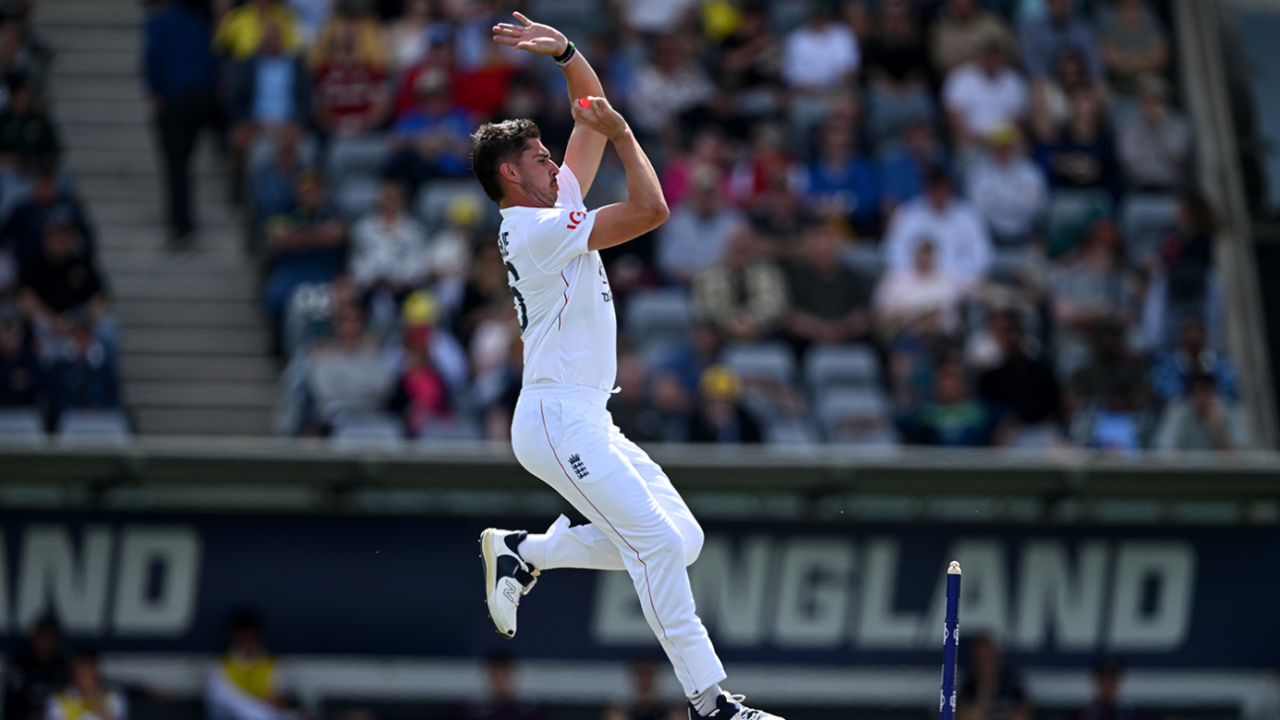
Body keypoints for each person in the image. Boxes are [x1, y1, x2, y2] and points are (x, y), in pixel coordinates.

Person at [472, 14, 784, 720]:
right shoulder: (535, 229)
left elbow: (587, 114)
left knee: (683, 540)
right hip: (555, 415)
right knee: (652, 546)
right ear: (510, 175)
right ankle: (710, 702)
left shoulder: (554, 205)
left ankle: (528, 551)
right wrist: (625, 136)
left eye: (553, 156)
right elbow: (653, 207)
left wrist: (567, 52)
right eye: (542, 159)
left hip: (586, 416)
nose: (556, 163)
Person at [145, 0, 218, 247]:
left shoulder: (157, 22)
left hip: (174, 100)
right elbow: (212, 59)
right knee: (187, 159)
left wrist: (155, 91)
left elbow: (152, 57)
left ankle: (181, 226)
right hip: (202, 97)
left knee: (176, 165)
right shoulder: (198, 22)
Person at [882, 167, 992, 284]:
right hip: (916, 282)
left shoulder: (968, 216)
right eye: (935, 189)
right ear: (926, 190)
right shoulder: (908, 214)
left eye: (943, 189)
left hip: (958, 282)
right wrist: (918, 271)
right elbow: (891, 250)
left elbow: (982, 255)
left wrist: (952, 274)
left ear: (951, 190)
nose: (939, 194)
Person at [783, 222, 873, 356]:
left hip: (849, 337)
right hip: (807, 342)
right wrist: (820, 330)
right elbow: (791, 316)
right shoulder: (796, 278)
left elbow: (865, 314)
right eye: (817, 249)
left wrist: (843, 330)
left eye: (826, 250)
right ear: (809, 251)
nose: (822, 254)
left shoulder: (853, 278)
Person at [693, 230, 787, 344]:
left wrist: (750, 320)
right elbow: (705, 307)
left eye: (745, 251)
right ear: (727, 251)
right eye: (736, 250)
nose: (740, 255)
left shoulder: (768, 272)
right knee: (704, 336)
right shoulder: (711, 274)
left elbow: (776, 306)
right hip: (720, 331)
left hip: (761, 330)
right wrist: (731, 321)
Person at [656, 168, 746, 286]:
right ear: (692, 192)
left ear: (720, 192)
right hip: (680, 285)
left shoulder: (735, 220)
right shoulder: (676, 219)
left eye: (710, 192)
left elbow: (740, 260)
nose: (706, 198)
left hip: (722, 284)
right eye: (702, 192)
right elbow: (666, 261)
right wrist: (694, 277)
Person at [976, 309, 1062, 431]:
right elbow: (985, 411)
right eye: (1006, 333)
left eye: (1014, 332)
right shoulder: (991, 378)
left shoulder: (1043, 373)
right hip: (1006, 436)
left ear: (1022, 334)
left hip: (1040, 432)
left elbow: (1054, 408)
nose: (1012, 339)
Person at [964, 124, 1047, 246]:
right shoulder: (979, 173)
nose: (1003, 151)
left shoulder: (1030, 172)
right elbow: (977, 208)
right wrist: (1014, 204)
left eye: (1007, 146)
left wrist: (999, 204)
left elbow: (1035, 206)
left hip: (1024, 234)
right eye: (999, 146)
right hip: (991, 236)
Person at [206, 610, 298, 720]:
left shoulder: (273, 664)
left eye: (250, 637)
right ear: (234, 637)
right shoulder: (220, 665)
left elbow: (281, 696)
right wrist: (261, 702)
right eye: (242, 637)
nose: (247, 642)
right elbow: (223, 703)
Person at [942, 41, 1029, 151]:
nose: (991, 62)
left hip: (1005, 141)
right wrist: (975, 139)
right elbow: (952, 117)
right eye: (988, 57)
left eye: (995, 58)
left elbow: (1019, 121)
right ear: (979, 57)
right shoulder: (960, 77)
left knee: (1022, 150)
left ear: (1003, 59)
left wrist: (1002, 141)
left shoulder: (1014, 81)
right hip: (970, 141)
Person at [1116, 74, 1191, 191]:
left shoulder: (1180, 125)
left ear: (1166, 101)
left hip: (1172, 188)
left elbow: (1177, 160)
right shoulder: (1128, 126)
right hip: (1138, 188)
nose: (1151, 106)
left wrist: (1159, 127)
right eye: (1146, 100)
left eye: (1156, 100)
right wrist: (1161, 161)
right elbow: (1129, 160)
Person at [1149, 315, 1237, 406]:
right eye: (1188, 331)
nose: (1194, 336)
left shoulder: (1219, 361)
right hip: (1182, 411)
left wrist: (1210, 402)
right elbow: (1166, 392)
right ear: (1180, 336)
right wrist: (1193, 403)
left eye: (1198, 330)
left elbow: (1230, 390)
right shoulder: (1168, 362)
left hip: (1214, 409)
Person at [1154, 372, 1250, 452]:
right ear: (1192, 395)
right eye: (1201, 391)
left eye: (1209, 391)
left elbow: (1238, 460)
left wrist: (1217, 429)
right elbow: (1165, 452)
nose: (1205, 397)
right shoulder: (1180, 413)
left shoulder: (1227, 411)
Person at [1018, 0, 1104, 82]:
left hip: (1082, 83)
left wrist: (1091, 82)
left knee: (1099, 86)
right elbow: (1033, 66)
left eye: (1062, 1)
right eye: (1054, 1)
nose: (1058, 4)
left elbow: (1095, 64)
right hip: (1051, 84)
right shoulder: (1036, 31)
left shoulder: (1085, 29)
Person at [4, 615, 69, 720]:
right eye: (44, 636)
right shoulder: (20, 664)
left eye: (52, 637)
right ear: (35, 637)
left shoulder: (62, 667)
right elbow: (14, 706)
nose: (47, 643)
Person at [929, 0, 1016, 76]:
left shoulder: (992, 23)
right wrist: (979, 61)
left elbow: (1010, 54)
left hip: (995, 79)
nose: (963, 2)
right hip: (959, 83)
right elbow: (942, 64)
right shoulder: (942, 29)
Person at [957, 633, 1032, 720]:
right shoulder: (968, 687)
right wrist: (986, 686)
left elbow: (1023, 714)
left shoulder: (1012, 683)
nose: (986, 664)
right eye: (981, 660)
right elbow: (964, 716)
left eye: (989, 659)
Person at [44, 647, 125, 720]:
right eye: (82, 672)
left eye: (89, 671)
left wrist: (96, 701)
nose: (86, 677)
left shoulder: (111, 697)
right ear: (73, 674)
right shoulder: (58, 700)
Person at [688, 365, 761, 444]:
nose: (718, 408)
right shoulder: (693, 427)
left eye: (725, 402)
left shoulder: (748, 425)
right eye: (713, 402)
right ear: (703, 405)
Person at [463, 653, 546, 720]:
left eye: (504, 675)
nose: (500, 682)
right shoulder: (473, 713)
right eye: (496, 676)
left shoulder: (529, 712)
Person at [1068, 658, 1157, 720]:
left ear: (1117, 682)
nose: (1107, 685)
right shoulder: (1081, 714)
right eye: (1104, 680)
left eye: (1111, 680)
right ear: (1097, 682)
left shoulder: (1132, 714)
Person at [603, 655, 685, 720]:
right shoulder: (620, 714)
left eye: (649, 674)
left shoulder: (673, 714)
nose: (645, 681)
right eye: (641, 674)